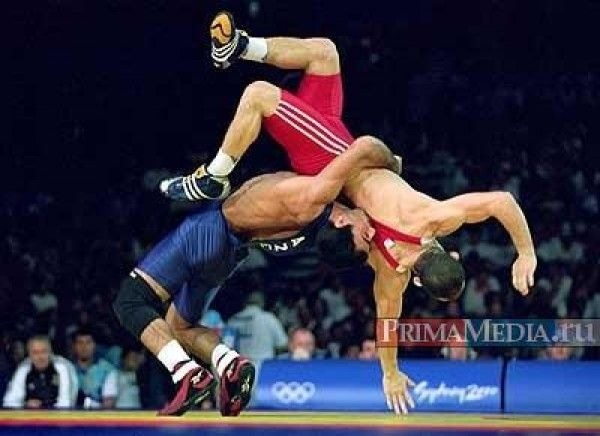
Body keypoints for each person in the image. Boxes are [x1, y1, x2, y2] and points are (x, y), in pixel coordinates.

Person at [161, 11, 538, 415]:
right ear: (417, 279)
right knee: (324, 53)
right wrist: (390, 373)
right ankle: (240, 46)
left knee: (260, 95)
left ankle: (214, 176)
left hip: (332, 158)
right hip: (336, 143)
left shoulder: (434, 217)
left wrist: (526, 253)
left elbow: (502, 201)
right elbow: (387, 325)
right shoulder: (393, 277)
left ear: (450, 252)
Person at [113, 135, 398, 416]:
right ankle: (228, 363)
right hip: (230, 255)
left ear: (342, 221)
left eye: (365, 236)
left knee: (131, 300)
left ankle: (186, 372)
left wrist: (392, 165)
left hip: (212, 230)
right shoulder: (317, 232)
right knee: (181, 327)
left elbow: (366, 145)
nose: (371, 231)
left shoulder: (314, 196)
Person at [3, 336, 76, 409]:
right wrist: (25, 404)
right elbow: (10, 402)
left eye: (44, 352)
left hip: (59, 414)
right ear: (29, 355)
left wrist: (44, 405)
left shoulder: (62, 367)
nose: (40, 357)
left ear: (51, 352)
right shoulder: (24, 368)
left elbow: (66, 403)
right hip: (30, 414)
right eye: (35, 353)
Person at [227, 291, 287, 366]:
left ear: (245, 303)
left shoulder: (233, 320)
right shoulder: (269, 319)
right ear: (262, 303)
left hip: (240, 367)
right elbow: (282, 344)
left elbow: (227, 346)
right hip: (263, 367)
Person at [71, 329, 118, 409]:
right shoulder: (68, 369)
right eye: (80, 342)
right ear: (74, 346)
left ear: (94, 345)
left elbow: (108, 404)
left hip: (97, 415)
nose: (84, 347)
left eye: (88, 342)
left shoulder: (107, 370)